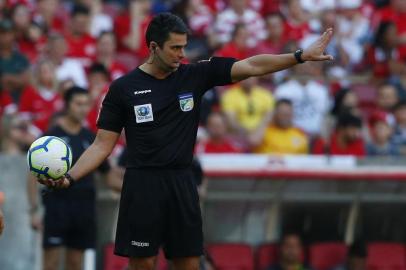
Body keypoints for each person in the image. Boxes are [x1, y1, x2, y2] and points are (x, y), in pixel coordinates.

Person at [37, 12, 334, 270]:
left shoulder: (194, 75)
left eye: (184, 46)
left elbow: (251, 66)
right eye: (175, 48)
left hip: (182, 181)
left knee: (189, 262)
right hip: (143, 184)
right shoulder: (123, 89)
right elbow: (102, 145)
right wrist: (70, 178)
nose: (182, 54)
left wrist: (298, 57)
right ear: (153, 48)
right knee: (142, 263)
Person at [28, 87, 120, 270]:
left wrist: (139, 190)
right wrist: (34, 210)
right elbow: (31, 177)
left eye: (87, 104)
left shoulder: (92, 140)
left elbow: (109, 177)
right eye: (78, 103)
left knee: (75, 264)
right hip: (56, 208)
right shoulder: (50, 138)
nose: (83, 108)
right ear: (67, 105)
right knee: (51, 263)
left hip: (84, 208)